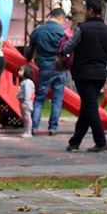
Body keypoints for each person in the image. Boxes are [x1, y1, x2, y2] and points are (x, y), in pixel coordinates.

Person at [64, 0, 107, 153]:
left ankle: (101, 142)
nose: (85, 12)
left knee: (90, 108)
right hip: (100, 74)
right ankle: (75, 142)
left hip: (83, 73)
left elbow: (67, 47)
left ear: (91, 11)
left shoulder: (82, 29)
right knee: (87, 108)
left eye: (87, 10)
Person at [26, 8, 68, 136]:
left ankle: (34, 126)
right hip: (60, 69)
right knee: (57, 99)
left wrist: (28, 59)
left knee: (39, 99)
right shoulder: (63, 32)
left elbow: (30, 51)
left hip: (44, 68)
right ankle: (53, 128)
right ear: (61, 18)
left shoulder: (38, 31)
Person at [17, 65, 35, 138]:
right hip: (23, 101)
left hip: (26, 102)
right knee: (25, 117)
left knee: (27, 117)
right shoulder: (24, 81)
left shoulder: (27, 82)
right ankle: (26, 131)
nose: (19, 72)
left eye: (21, 70)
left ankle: (28, 132)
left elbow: (28, 93)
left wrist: (25, 102)